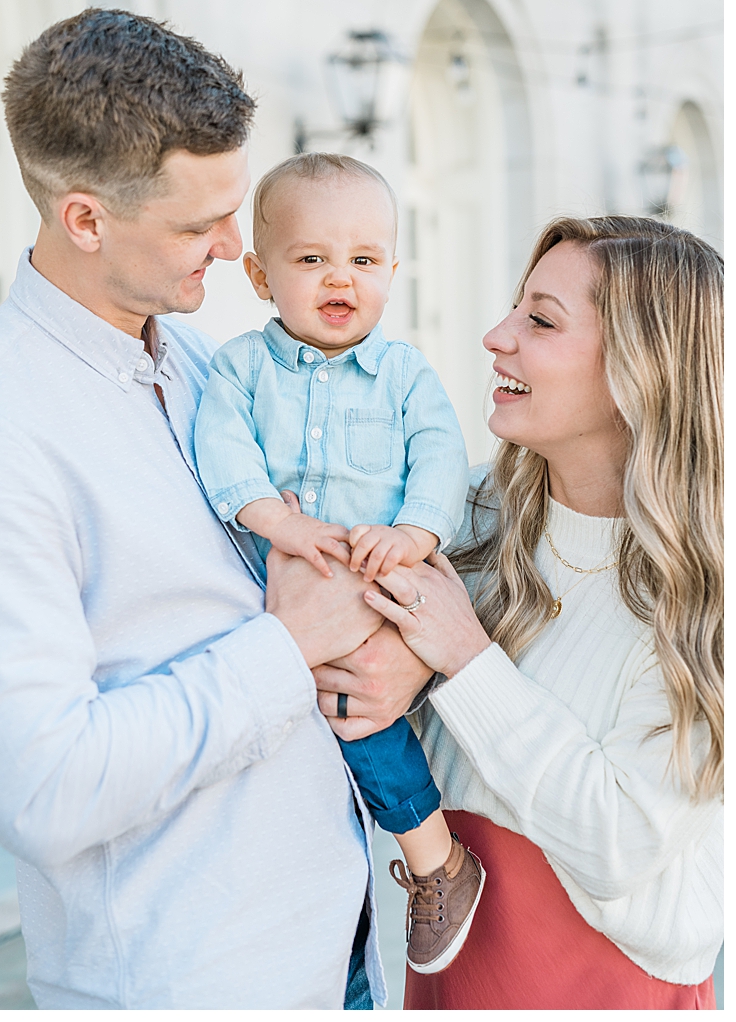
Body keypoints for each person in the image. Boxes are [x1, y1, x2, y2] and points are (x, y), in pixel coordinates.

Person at [0, 8, 390, 1009]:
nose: (231, 246)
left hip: (344, 951)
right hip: (197, 981)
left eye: (234, 208)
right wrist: (287, 648)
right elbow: (43, 788)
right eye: (196, 224)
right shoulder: (8, 426)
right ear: (85, 219)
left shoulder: (208, 366)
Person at [317, 216, 723, 1007]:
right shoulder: (461, 517)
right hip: (444, 972)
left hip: (608, 989)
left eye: (540, 320)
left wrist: (466, 661)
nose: (497, 337)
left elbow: (617, 844)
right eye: (516, 308)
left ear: (640, 368)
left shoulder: (704, 591)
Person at [192, 152, 480, 974]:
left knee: (366, 723)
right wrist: (274, 517)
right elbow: (222, 444)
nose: (339, 278)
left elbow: (439, 456)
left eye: (363, 259)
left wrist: (416, 534)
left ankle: (438, 861)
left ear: (391, 271)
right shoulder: (240, 366)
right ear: (260, 275)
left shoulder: (403, 374)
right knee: (292, 743)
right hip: (287, 592)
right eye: (311, 258)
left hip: (377, 586)